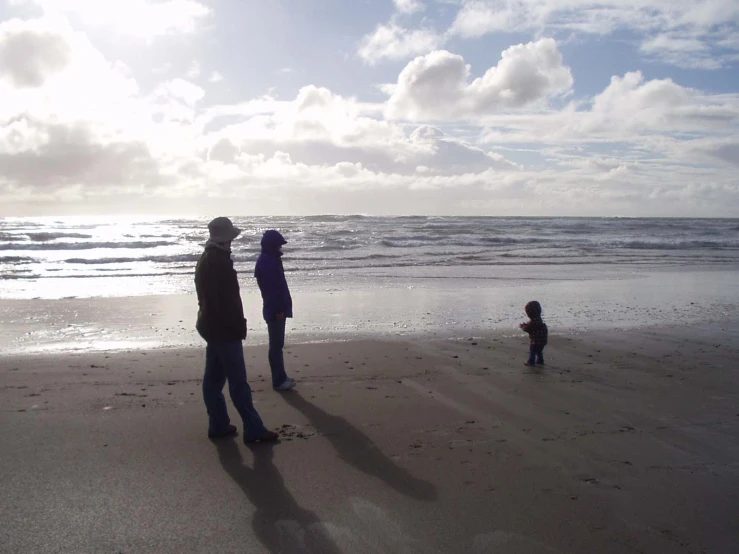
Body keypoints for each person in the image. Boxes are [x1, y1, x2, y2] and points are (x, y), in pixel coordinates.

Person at [194, 216, 278, 443]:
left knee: (213, 380)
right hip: (224, 329)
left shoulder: (207, 258)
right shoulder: (218, 262)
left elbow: (210, 300)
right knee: (238, 382)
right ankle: (253, 428)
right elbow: (225, 302)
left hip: (211, 326)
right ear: (225, 239)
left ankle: (219, 424)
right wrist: (238, 325)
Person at [254, 229, 297, 391]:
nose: (281, 247)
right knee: (276, 345)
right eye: (279, 245)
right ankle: (279, 380)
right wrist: (279, 309)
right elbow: (271, 290)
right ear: (272, 245)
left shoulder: (271, 259)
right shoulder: (267, 262)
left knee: (277, 345)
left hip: (276, 308)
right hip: (274, 309)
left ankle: (281, 376)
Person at [519, 300, 548, 366]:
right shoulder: (539, 319)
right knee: (539, 351)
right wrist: (526, 325)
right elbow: (531, 326)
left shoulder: (533, 322)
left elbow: (528, 329)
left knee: (532, 351)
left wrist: (522, 327)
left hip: (535, 341)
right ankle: (540, 360)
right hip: (543, 340)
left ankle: (531, 361)